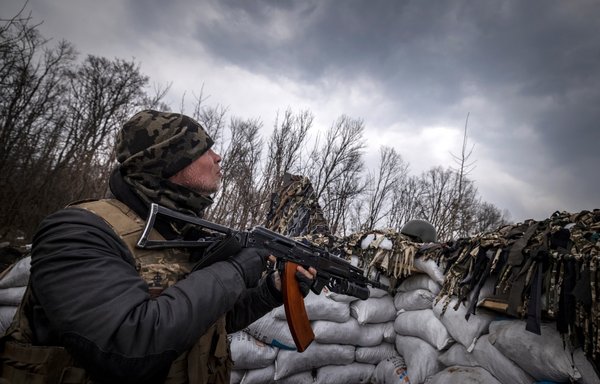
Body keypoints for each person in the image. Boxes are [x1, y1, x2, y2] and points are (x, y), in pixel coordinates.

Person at [0, 110, 316, 384]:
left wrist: (272, 291)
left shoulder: (179, 232)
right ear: (170, 161)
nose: (218, 157)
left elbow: (207, 321)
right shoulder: (78, 229)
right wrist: (236, 270)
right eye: (205, 149)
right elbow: (127, 346)